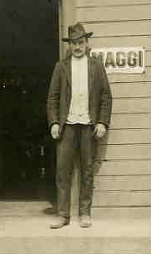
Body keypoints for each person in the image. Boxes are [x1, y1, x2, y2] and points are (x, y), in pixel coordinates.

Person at [46, 23, 112, 229]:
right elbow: (53, 98)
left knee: (87, 169)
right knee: (62, 170)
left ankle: (84, 213)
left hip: (88, 126)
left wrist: (102, 121)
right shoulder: (61, 67)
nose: (77, 47)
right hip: (68, 126)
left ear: (86, 43)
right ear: (70, 45)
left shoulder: (96, 66)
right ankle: (63, 215)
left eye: (80, 42)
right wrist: (54, 122)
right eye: (74, 43)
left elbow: (106, 97)